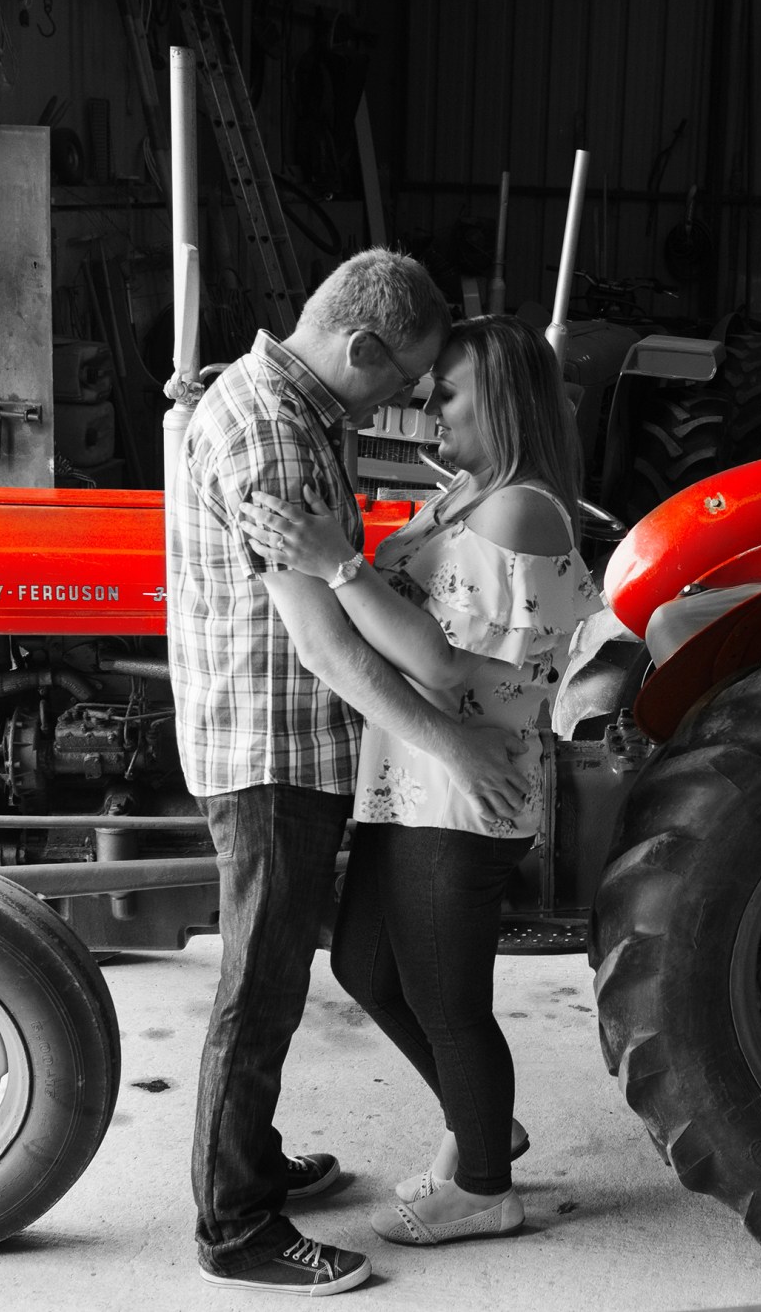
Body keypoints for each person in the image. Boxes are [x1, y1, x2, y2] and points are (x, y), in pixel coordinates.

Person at [167, 251, 528, 1296]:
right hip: (272, 752)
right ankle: (234, 1224)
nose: (407, 403)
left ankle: (255, 1161)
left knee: (277, 974)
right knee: (261, 987)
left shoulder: (293, 400)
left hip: (295, 743)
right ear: (360, 347)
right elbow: (326, 647)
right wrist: (450, 740)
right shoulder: (273, 431)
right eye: (403, 378)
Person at [238, 314, 602, 1246]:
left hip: (465, 791)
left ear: (505, 400)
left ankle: (486, 1185)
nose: (425, 405)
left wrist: (338, 563)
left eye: (446, 391)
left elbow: (439, 663)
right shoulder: (467, 496)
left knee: (447, 996)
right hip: (414, 774)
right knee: (365, 966)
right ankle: (487, 1127)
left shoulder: (521, 507)